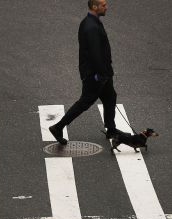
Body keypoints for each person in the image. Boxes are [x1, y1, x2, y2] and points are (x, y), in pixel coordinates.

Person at [49, 0, 125, 145]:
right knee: (85, 102)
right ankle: (58, 127)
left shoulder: (91, 22)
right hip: (95, 74)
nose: (106, 7)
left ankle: (111, 129)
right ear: (94, 7)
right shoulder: (91, 27)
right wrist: (101, 75)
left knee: (110, 97)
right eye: (103, 5)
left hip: (102, 73)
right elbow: (95, 54)